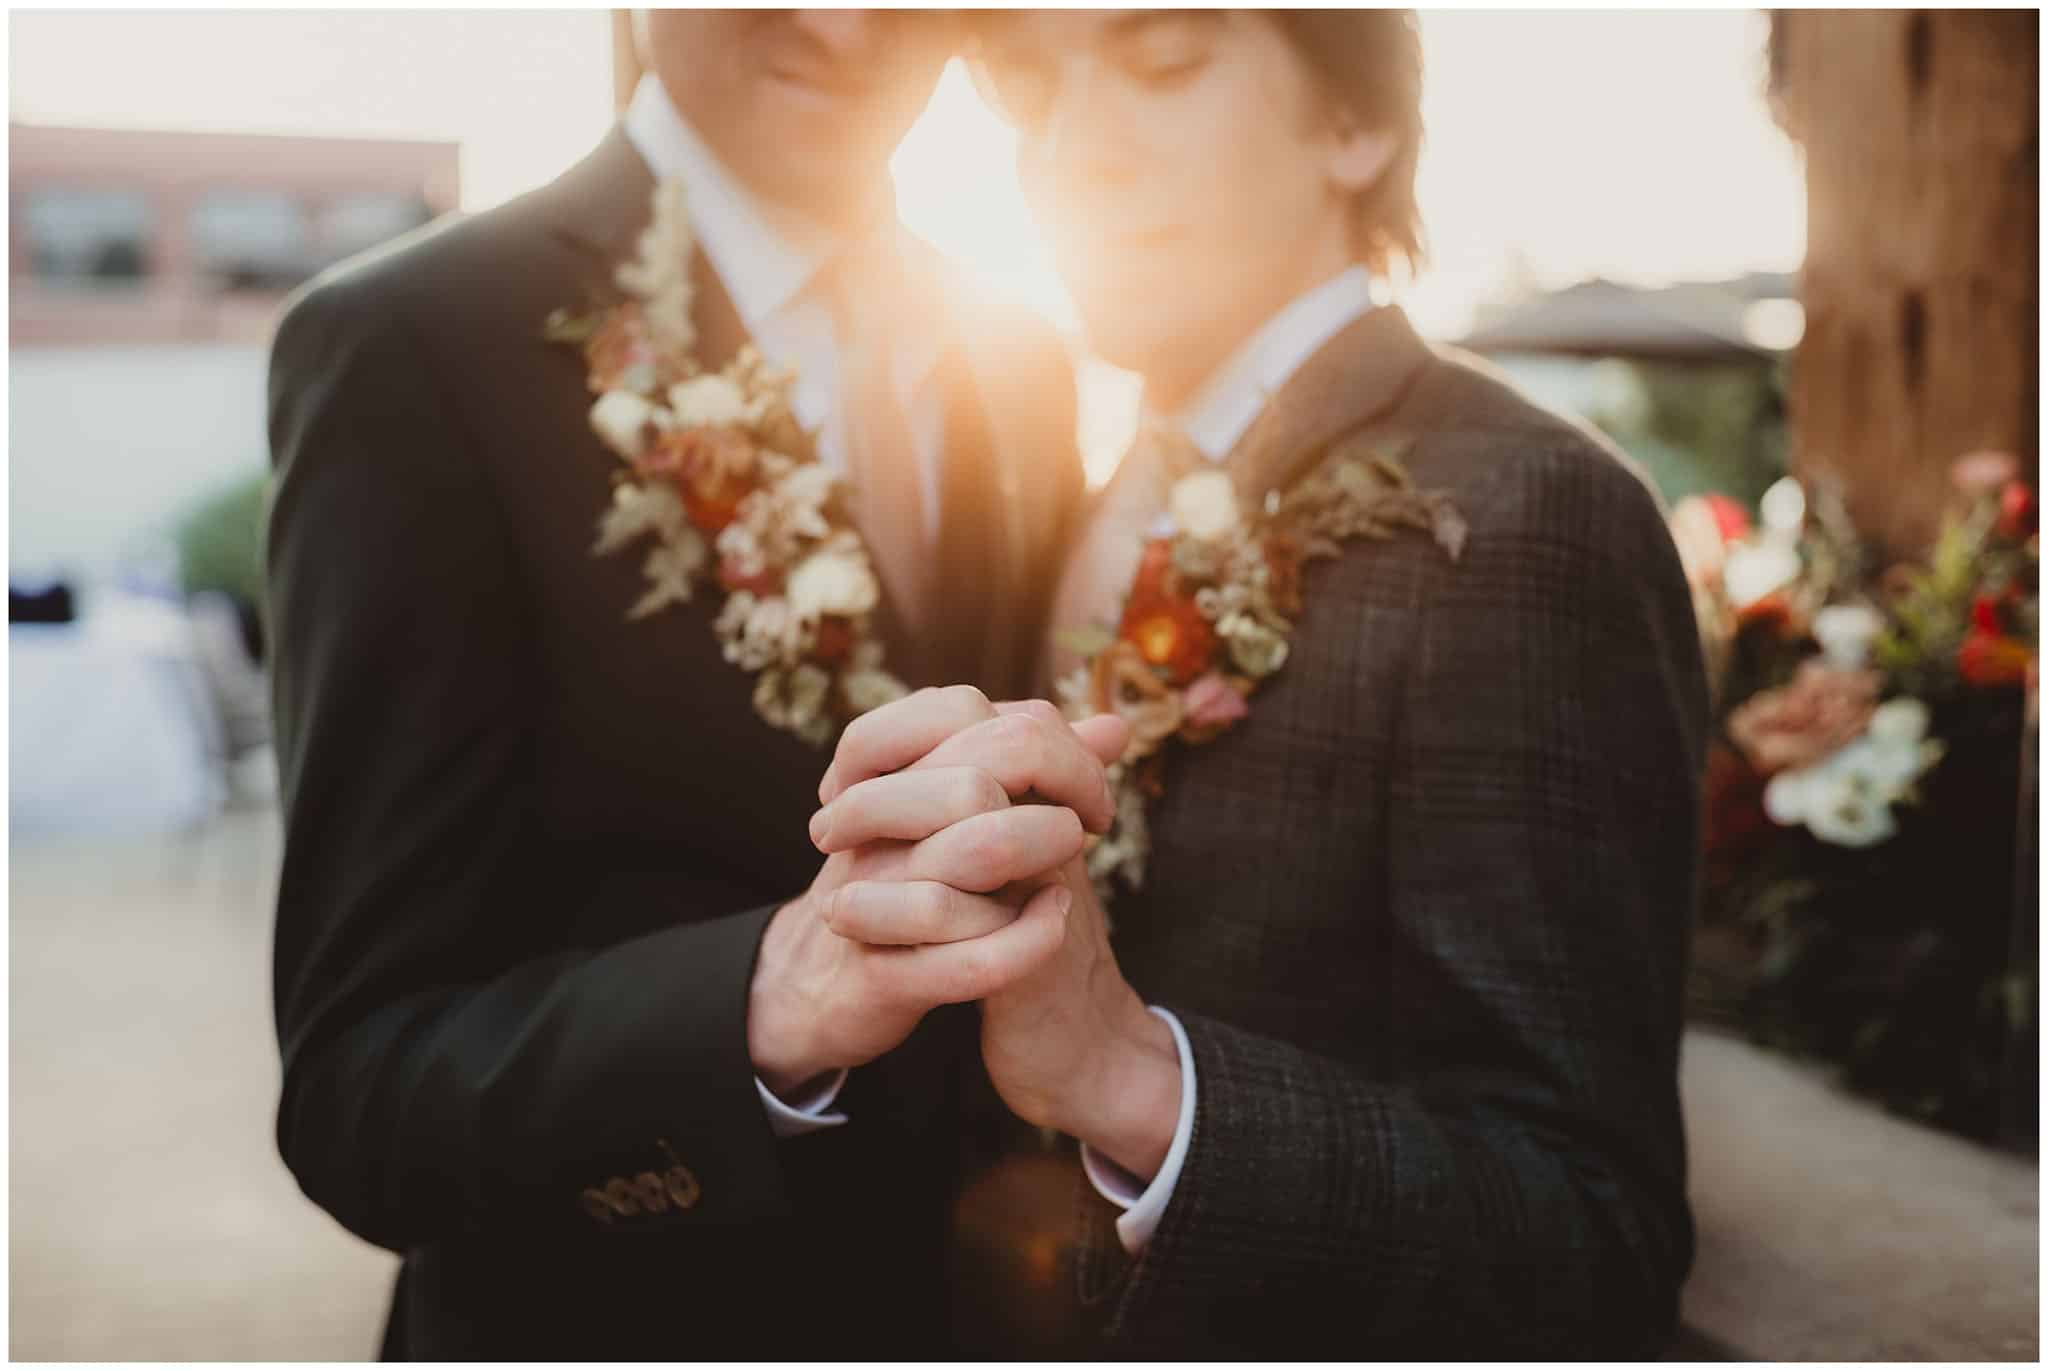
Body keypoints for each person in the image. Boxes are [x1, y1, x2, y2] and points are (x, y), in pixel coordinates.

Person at [807, 9, 1710, 1356]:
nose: (1069, 152)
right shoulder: (1089, 494)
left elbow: (1591, 1236)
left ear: (1359, 123)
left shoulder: (1527, 512)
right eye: (1029, 93)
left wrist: (1136, 1080)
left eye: (1161, 62)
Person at [264, 11, 1094, 1358]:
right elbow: (362, 1098)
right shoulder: (412, 348)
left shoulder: (1024, 361)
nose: (842, 18)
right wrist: (759, 1006)